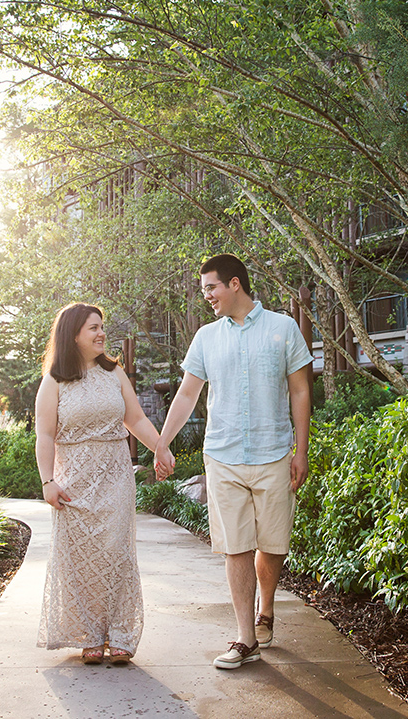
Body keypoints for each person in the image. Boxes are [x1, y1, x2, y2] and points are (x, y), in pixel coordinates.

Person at [153, 254, 313, 669]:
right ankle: (246, 638)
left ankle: (267, 605)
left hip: (274, 452)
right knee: (236, 548)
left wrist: (301, 450)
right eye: (205, 289)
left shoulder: (283, 328)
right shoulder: (206, 337)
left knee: (273, 544)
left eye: (211, 287)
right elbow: (187, 394)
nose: (206, 295)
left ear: (235, 284)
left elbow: (299, 392)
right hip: (222, 455)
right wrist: (162, 443)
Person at [35, 302, 163, 665]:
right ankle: (90, 633)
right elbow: (44, 436)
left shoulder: (114, 373)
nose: (101, 333)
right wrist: (48, 482)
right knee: (81, 559)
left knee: (117, 554)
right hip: (73, 481)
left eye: (101, 326)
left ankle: (121, 632)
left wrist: (160, 449)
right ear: (73, 335)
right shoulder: (54, 381)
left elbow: (135, 418)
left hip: (116, 477)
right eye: (93, 328)